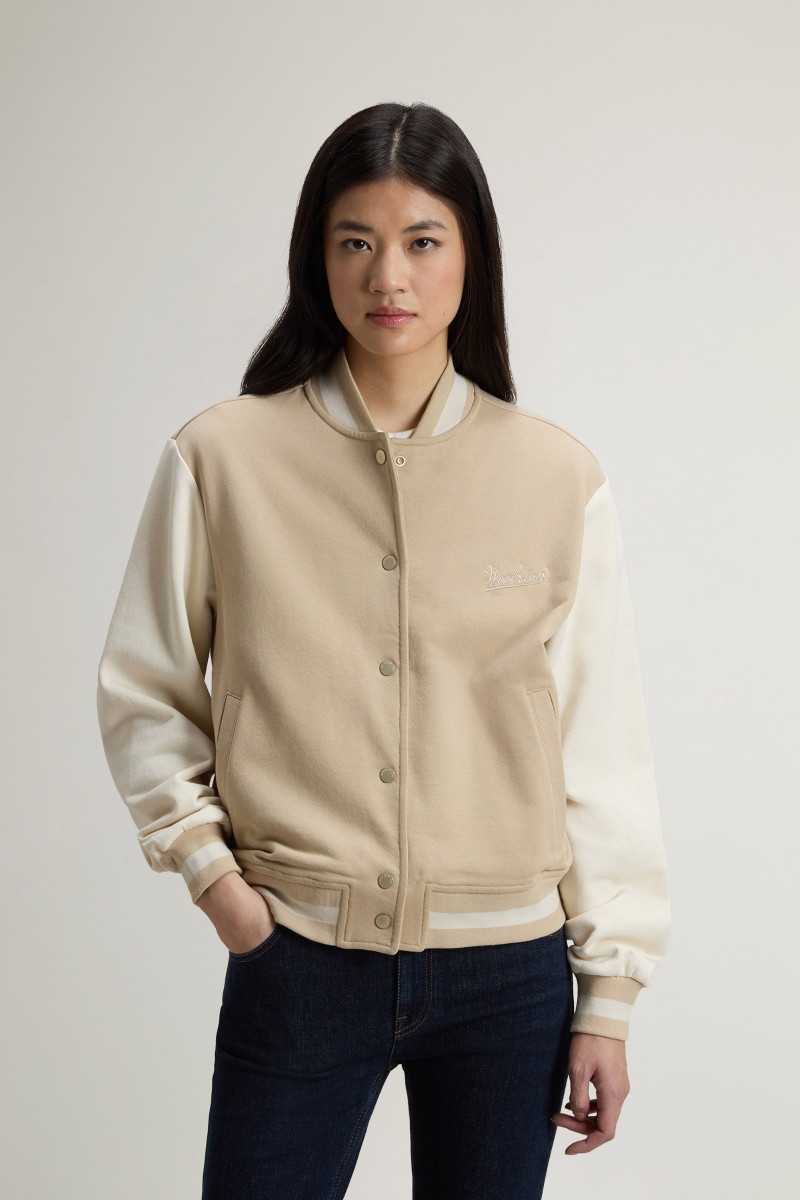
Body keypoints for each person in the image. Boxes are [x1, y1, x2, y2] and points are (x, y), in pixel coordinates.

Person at [96, 101, 671, 1199]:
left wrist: (608, 996)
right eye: (354, 241)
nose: (387, 277)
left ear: (471, 255)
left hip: (509, 982)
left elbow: (600, 748)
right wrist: (217, 882)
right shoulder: (223, 457)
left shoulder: (555, 477)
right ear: (317, 258)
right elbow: (145, 691)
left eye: (422, 240)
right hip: (298, 961)